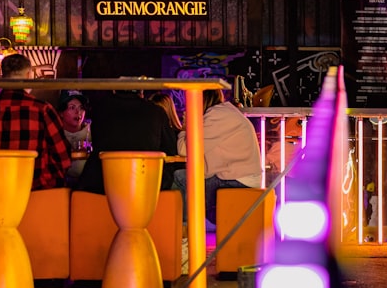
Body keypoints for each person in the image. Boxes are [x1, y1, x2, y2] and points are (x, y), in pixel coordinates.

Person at [0, 54, 71, 190]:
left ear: (2, 76)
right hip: (35, 192)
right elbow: (64, 160)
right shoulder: (42, 110)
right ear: (29, 75)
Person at [173, 89, 263, 226]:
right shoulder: (224, 113)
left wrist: (185, 128)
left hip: (237, 181)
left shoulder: (217, 116)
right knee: (188, 179)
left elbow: (185, 149)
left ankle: (185, 232)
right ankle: (186, 230)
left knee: (180, 177)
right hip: (241, 178)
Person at [76, 90, 179, 194]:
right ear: (141, 90)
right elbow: (170, 150)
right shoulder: (157, 112)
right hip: (147, 188)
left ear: (114, 89)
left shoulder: (101, 110)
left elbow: (97, 143)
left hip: (103, 187)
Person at [58, 91, 92, 187]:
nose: (78, 112)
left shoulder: (93, 131)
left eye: (81, 108)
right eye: (72, 108)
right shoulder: (56, 134)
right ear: (61, 113)